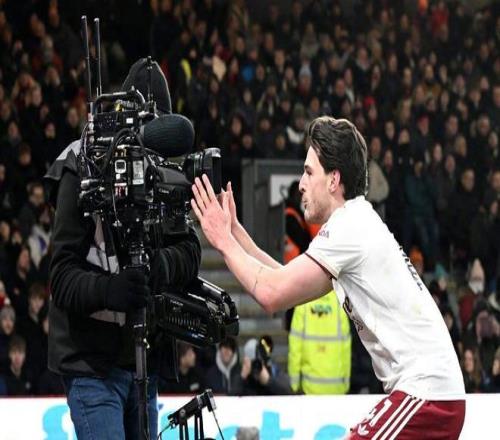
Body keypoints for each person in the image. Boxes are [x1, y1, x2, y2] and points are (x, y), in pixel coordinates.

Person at [192, 116, 465, 439]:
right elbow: (282, 278)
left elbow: (270, 293)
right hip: (431, 395)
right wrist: (236, 234)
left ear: (334, 180)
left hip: (427, 395)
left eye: (309, 172)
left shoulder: (348, 228)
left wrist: (222, 240)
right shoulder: (355, 221)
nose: (301, 184)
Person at [45, 58, 201, 440]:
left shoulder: (164, 170)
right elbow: (60, 277)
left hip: (144, 360)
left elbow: (190, 251)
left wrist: (162, 266)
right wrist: (109, 291)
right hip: (92, 366)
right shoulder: (82, 164)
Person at [288, 290, 351, 394]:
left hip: (309, 388)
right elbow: (346, 346)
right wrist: (346, 381)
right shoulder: (338, 302)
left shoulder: (303, 303)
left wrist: (294, 384)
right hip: (336, 388)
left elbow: (295, 346)